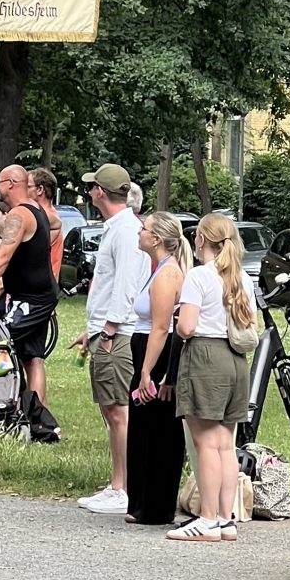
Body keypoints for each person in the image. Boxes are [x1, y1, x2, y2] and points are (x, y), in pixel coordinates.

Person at [164, 214, 257, 542]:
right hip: (236, 361)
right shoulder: (242, 277)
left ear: (200, 240)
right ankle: (225, 519)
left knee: (204, 444)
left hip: (205, 357)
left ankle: (207, 519)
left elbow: (187, 327)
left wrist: (178, 322)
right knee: (224, 445)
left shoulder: (199, 276)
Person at [72, 163, 149, 514]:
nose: (89, 193)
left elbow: (126, 286)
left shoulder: (125, 231)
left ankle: (124, 488)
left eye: (92, 188)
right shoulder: (117, 228)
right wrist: (94, 329)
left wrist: (109, 328)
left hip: (118, 333)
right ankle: (120, 484)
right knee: (111, 408)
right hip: (108, 330)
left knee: (118, 411)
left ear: (101, 192)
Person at [0, 164, 59, 407]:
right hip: (39, 294)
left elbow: (2, 258)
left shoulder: (18, 215)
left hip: (31, 299)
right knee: (33, 357)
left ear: (11, 183)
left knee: (0, 341)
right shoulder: (37, 209)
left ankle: (9, 405)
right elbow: (55, 225)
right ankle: (37, 415)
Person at [125, 212, 189, 527]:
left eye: (144, 229)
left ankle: (155, 505)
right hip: (144, 349)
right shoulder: (157, 270)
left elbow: (161, 326)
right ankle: (140, 501)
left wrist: (147, 371)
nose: (139, 232)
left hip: (155, 355)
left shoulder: (167, 275)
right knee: (143, 429)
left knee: (157, 429)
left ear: (157, 239)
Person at [30, 167, 65, 280]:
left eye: (28, 187)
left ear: (40, 190)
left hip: (39, 288)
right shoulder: (50, 215)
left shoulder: (43, 218)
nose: (23, 191)